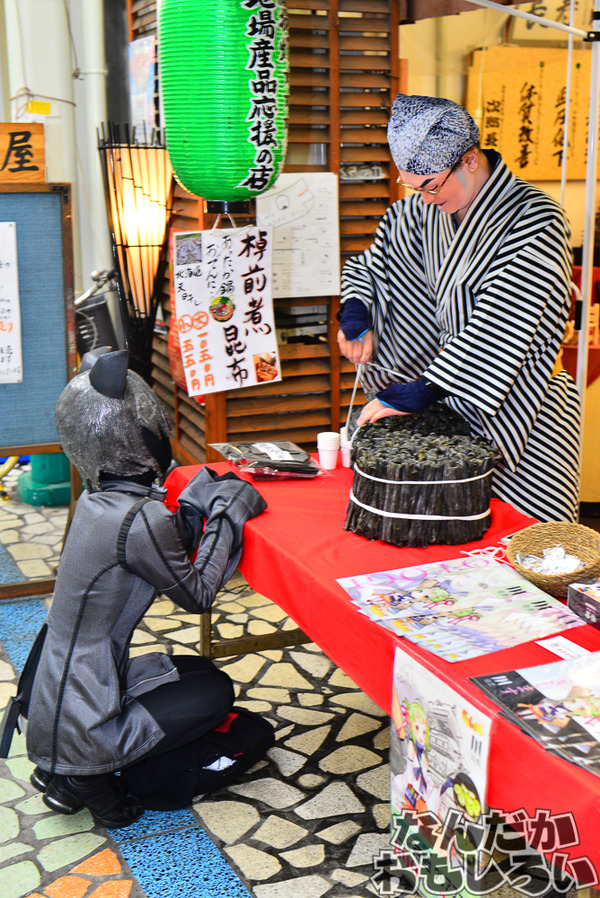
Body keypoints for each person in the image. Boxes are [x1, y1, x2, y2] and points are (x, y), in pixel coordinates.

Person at [4, 348, 272, 828]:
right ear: (140, 436)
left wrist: (195, 509)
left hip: (55, 696)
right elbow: (197, 595)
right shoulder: (137, 516)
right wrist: (226, 518)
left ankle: (64, 769)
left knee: (198, 672)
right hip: (88, 715)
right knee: (216, 690)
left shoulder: (97, 500)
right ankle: (89, 776)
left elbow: (155, 546)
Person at [338, 93, 581, 523]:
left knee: (528, 539)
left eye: (431, 185)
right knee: (447, 533)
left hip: (524, 408)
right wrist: (357, 310)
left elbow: (506, 320)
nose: (424, 198)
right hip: (446, 410)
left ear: (470, 160)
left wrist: (427, 387)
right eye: (412, 187)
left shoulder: (535, 218)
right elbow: (372, 268)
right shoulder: (416, 213)